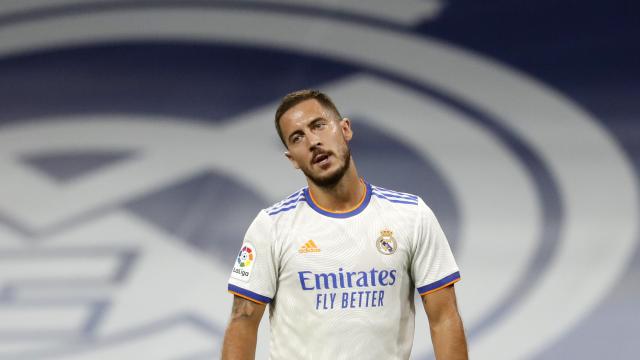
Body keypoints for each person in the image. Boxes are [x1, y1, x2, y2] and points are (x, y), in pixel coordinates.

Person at [221, 90, 468, 359]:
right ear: (292, 158)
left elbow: (444, 318)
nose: (313, 141)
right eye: (298, 137)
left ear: (345, 129)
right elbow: (242, 323)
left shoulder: (411, 215)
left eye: (318, 125)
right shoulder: (271, 226)